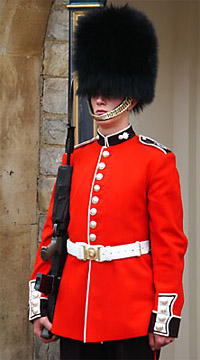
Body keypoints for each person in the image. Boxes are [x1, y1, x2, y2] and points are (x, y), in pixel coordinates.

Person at [29, 5, 188, 360]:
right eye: (96, 89)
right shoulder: (76, 158)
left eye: (110, 91)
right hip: (74, 312)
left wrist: (164, 315)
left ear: (129, 95)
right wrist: (40, 300)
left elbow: (169, 245)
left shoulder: (156, 160)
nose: (99, 99)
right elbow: (54, 234)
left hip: (130, 316)